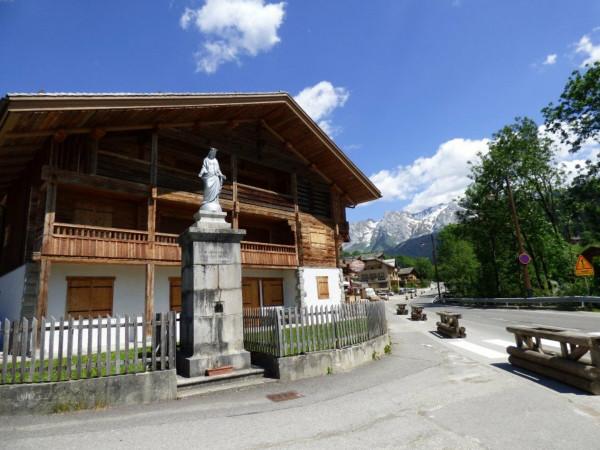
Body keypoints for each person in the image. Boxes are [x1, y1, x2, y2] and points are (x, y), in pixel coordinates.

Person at [198, 147, 226, 212]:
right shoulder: (206, 159)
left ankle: (214, 201)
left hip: (215, 177)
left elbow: (218, 169)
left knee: (216, 189)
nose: (214, 154)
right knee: (207, 186)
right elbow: (204, 167)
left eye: (215, 154)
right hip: (208, 176)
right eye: (213, 153)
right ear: (210, 153)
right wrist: (201, 173)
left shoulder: (215, 160)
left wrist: (221, 175)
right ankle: (207, 201)